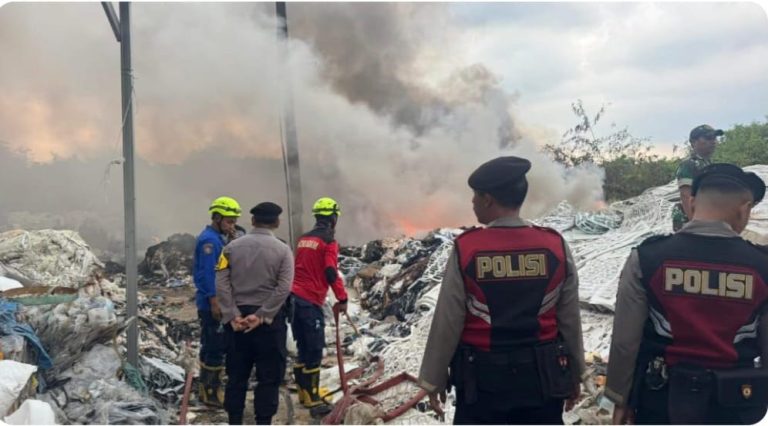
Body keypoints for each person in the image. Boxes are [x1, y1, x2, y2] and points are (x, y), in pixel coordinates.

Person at [418, 156, 586, 425]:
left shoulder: (467, 248)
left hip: (482, 387)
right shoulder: (554, 245)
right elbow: (569, 318)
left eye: (475, 196)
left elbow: (448, 321)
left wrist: (432, 379)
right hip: (543, 382)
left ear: (487, 200)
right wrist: (577, 373)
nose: (472, 202)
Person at [607, 163, 768, 425]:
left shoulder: (647, 258)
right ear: (745, 208)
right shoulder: (762, 266)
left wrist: (618, 399)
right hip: (735, 404)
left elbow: (625, 342)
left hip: (660, 401)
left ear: (691, 203)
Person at [215, 202, 294, 425]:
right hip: (269, 324)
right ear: (277, 222)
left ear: (252, 221)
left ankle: (235, 420)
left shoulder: (230, 248)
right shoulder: (283, 250)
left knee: (236, 377)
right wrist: (262, 315)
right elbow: (284, 287)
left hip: (237, 324)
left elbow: (221, 283)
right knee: (269, 378)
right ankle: (263, 421)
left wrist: (232, 315)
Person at [290, 197, 348, 414]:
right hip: (309, 300)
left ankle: (304, 394)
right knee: (314, 348)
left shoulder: (303, 238)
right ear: (333, 218)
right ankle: (312, 397)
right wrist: (342, 298)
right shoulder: (329, 241)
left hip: (294, 298)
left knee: (303, 346)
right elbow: (330, 272)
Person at [193, 196, 241, 407]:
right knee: (214, 345)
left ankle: (208, 387)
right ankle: (210, 392)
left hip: (221, 300)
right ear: (218, 217)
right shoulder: (210, 241)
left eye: (234, 221)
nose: (232, 225)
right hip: (213, 303)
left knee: (213, 344)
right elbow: (208, 275)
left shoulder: (220, 239)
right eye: (229, 221)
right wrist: (215, 302)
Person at [672, 124, 724, 231]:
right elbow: (686, 195)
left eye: (714, 138)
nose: (713, 141)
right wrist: (696, 225)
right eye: (708, 138)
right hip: (692, 223)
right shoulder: (689, 165)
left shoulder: (706, 164)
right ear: (693, 142)